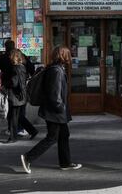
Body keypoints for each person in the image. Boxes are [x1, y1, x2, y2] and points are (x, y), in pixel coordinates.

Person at [20, 46, 81, 174]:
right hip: (54, 112)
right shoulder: (57, 71)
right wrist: (61, 108)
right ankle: (28, 157)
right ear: (63, 56)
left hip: (55, 111)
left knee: (64, 135)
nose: (70, 57)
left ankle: (65, 163)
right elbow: (54, 95)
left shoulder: (54, 68)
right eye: (68, 54)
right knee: (52, 137)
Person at [0, 40, 37, 139]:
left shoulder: (8, 61)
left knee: (13, 114)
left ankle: (14, 134)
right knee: (18, 114)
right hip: (21, 90)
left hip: (12, 90)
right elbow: (31, 69)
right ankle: (26, 130)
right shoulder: (21, 60)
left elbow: (14, 80)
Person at [5, 49, 33, 143]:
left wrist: (5, 84)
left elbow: (14, 82)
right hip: (22, 95)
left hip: (16, 96)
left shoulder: (16, 68)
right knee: (20, 116)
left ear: (14, 57)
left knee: (13, 117)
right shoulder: (22, 67)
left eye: (11, 55)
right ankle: (33, 131)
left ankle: (13, 137)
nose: (9, 57)